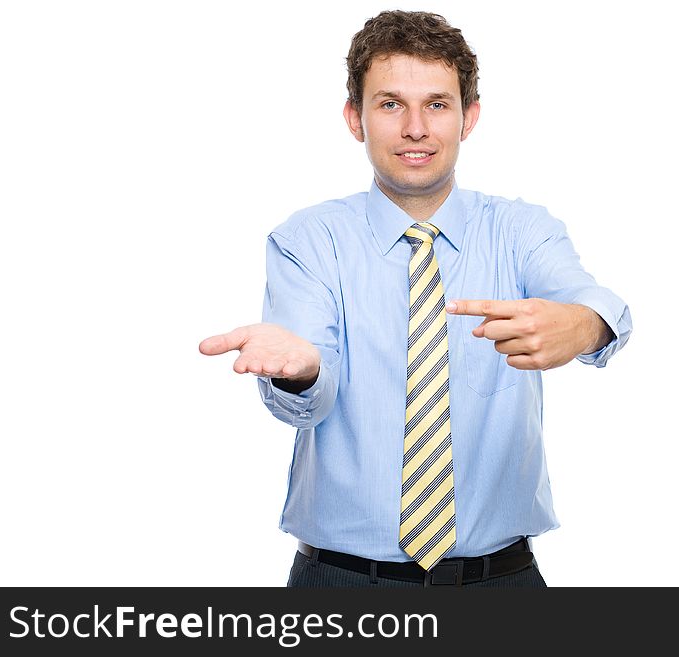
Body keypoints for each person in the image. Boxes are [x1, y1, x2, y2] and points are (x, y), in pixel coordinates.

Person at [199, 10, 632, 587]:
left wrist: (582, 328)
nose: (416, 128)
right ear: (355, 118)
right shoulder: (309, 240)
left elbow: (595, 304)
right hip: (341, 584)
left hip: (500, 583)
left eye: (436, 104)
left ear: (468, 117)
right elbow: (306, 401)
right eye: (390, 104)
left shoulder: (523, 231)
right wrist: (301, 374)